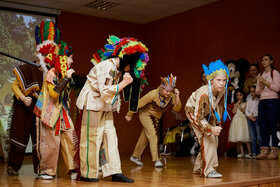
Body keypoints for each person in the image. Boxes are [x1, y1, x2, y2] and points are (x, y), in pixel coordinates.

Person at [76, 35, 149, 183]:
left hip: (105, 107)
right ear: (126, 61)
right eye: (131, 66)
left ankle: (114, 171)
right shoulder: (105, 67)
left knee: (110, 139)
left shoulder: (118, 69)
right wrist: (124, 83)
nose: (130, 69)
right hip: (92, 106)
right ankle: (88, 174)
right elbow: (105, 92)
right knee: (92, 140)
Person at [5, 21, 57, 176]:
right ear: (37, 55)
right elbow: (14, 86)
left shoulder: (51, 73)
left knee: (39, 139)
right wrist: (23, 98)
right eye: (43, 56)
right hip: (24, 107)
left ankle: (40, 169)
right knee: (19, 134)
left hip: (40, 109)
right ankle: (13, 166)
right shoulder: (28, 68)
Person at [34, 38, 78, 180]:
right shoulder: (51, 74)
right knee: (51, 142)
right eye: (70, 58)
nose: (71, 61)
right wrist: (66, 78)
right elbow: (54, 94)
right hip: (49, 112)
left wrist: (66, 78)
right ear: (63, 59)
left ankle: (73, 168)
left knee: (71, 138)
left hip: (62, 111)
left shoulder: (61, 74)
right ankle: (47, 171)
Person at [185, 59, 229, 178]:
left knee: (212, 140)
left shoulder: (223, 91)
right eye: (218, 80)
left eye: (224, 80)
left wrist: (217, 124)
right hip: (193, 111)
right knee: (209, 138)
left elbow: (219, 107)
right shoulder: (204, 93)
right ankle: (209, 170)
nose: (222, 83)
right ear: (211, 80)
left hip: (208, 112)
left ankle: (198, 167)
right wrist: (210, 129)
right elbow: (198, 117)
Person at [126, 74, 181, 167]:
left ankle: (135, 156)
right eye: (166, 91)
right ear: (161, 88)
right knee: (153, 135)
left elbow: (177, 108)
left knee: (145, 137)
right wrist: (129, 114)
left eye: (170, 91)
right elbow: (138, 104)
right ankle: (157, 160)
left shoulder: (171, 96)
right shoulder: (153, 94)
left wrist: (177, 96)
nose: (168, 93)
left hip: (155, 118)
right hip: (145, 115)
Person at [256, 54, 280, 160]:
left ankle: (274, 150)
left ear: (271, 61)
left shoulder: (274, 72)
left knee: (273, 126)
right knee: (263, 127)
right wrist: (260, 85)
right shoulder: (260, 75)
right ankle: (264, 150)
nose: (264, 62)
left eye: (266, 60)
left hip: (273, 101)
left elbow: (277, 88)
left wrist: (265, 82)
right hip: (262, 102)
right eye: (262, 60)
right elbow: (257, 91)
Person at [228, 89, 251, 158]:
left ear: (243, 95)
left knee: (246, 137)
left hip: (243, 120)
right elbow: (233, 112)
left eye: (240, 95)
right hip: (236, 120)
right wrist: (236, 105)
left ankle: (249, 153)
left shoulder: (246, 103)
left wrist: (239, 105)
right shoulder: (236, 103)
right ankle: (242, 152)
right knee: (239, 138)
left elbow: (244, 111)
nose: (239, 97)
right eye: (237, 95)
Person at [245, 86, 260, 158]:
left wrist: (255, 116)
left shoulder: (259, 100)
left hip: (257, 118)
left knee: (259, 137)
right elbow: (246, 111)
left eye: (253, 91)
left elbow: (260, 111)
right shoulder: (249, 100)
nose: (252, 93)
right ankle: (254, 153)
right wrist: (250, 116)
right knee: (253, 137)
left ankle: (259, 152)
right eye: (251, 91)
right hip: (250, 119)